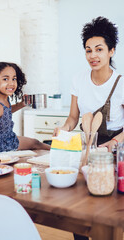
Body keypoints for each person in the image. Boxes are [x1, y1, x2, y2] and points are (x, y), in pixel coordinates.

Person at [53, 16, 124, 240]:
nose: (92, 55)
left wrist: (112, 145)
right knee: (80, 205)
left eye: (99, 49)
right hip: (88, 146)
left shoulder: (121, 83)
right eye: (88, 50)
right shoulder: (79, 79)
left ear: (111, 51)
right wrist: (62, 129)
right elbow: (73, 118)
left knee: (111, 209)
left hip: (116, 148)